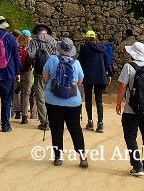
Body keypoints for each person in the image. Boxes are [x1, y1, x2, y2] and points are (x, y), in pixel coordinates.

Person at [116, 40, 144, 177]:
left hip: (131, 109)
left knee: (131, 136)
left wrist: (118, 102)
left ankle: (137, 166)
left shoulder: (128, 67)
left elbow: (122, 86)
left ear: (133, 53)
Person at [42, 37, 88, 168]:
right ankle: (82, 157)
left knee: (56, 129)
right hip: (73, 101)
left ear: (59, 49)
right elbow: (80, 82)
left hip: (53, 100)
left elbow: (45, 76)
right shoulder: (76, 63)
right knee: (75, 129)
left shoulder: (52, 59)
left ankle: (58, 157)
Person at [77, 30, 111, 132]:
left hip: (87, 77)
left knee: (88, 99)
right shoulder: (102, 48)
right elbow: (107, 62)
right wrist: (109, 74)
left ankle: (90, 122)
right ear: (95, 37)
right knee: (99, 100)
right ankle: (100, 123)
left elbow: (80, 62)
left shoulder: (84, 49)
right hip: (100, 77)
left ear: (86, 38)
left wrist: (79, 75)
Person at [28, 23, 57, 131]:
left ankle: (44, 122)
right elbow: (57, 55)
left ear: (38, 31)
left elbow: (31, 55)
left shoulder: (34, 40)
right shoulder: (53, 40)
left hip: (39, 72)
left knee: (40, 97)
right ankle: (53, 119)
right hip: (51, 73)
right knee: (51, 96)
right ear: (46, 31)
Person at [14, 29, 33, 124]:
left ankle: (17, 112)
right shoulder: (31, 47)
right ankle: (24, 117)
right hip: (27, 72)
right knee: (26, 94)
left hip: (16, 72)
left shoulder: (15, 45)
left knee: (16, 92)